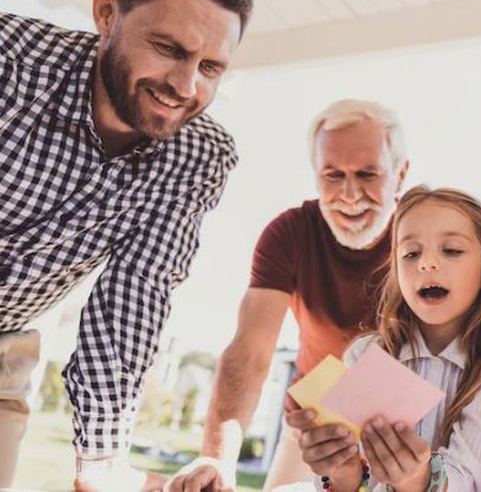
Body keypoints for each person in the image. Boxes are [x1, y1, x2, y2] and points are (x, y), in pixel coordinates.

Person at [0, 0, 252, 489]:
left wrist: (101, 464)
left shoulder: (199, 157)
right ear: (106, 11)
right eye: (167, 48)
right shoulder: (11, 63)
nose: (185, 86)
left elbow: (130, 303)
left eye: (210, 67)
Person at [166, 99, 409, 491]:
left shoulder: (424, 234)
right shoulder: (290, 234)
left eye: (367, 174)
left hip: (399, 431)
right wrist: (218, 457)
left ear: (400, 174)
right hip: (315, 429)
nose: (349, 194)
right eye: (332, 175)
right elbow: (251, 352)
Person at [288, 185, 481, 491]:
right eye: (411, 254)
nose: (426, 263)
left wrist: (417, 479)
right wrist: (341, 471)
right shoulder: (365, 354)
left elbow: (470, 482)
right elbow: (354, 484)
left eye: (451, 250)